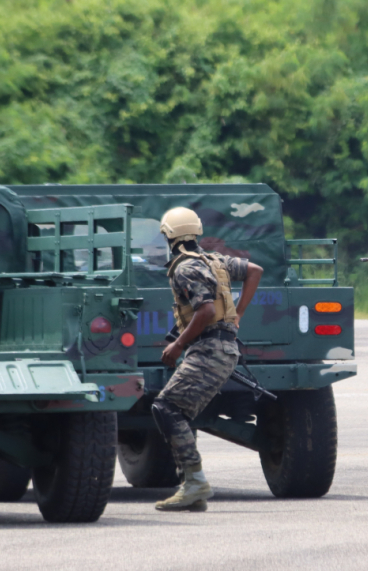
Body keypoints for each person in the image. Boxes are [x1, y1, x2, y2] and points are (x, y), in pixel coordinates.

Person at [151, 206, 263, 512]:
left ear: (170, 236)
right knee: (176, 409)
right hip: (221, 347)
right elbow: (254, 271)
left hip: (209, 348)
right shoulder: (214, 260)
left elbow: (206, 311)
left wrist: (178, 346)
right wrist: (238, 314)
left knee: (166, 408)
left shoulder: (185, 267)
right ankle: (192, 486)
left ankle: (195, 483)